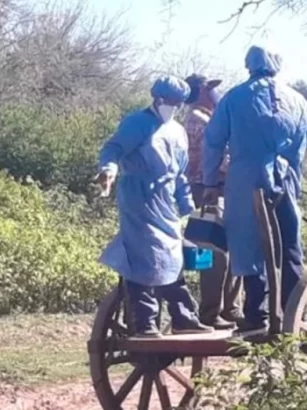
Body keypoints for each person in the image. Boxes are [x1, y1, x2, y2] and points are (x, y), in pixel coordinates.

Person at [202, 46, 307, 333]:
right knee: (288, 244)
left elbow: (212, 141)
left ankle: (255, 315)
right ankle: (291, 311)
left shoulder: (234, 98)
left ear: (249, 66)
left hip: (247, 182)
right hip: (287, 182)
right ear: (277, 66)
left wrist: (209, 181)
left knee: (248, 244)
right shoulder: (297, 100)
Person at [96, 75, 213, 338]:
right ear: (157, 98)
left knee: (173, 257)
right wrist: (108, 170)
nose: (171, 106)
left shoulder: (177, 131)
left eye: (177, 102)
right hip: (139, 199)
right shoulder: (137, 124)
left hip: (166, 203)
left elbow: (180, 173)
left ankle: (183, 316)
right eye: (167, 101)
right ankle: (145, 323)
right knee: (144, 258)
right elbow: (113, 149)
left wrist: (186, 205)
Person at [183, 73, 243, 330]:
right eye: (210, 89)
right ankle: (211, 311)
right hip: (208, 191)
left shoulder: (206, 118)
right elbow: (216, 155)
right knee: (214, 253)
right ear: (202, 91)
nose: (215, 94)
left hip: (217, 190)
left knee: (231, 249)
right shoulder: (200, 120)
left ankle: (229, 307)